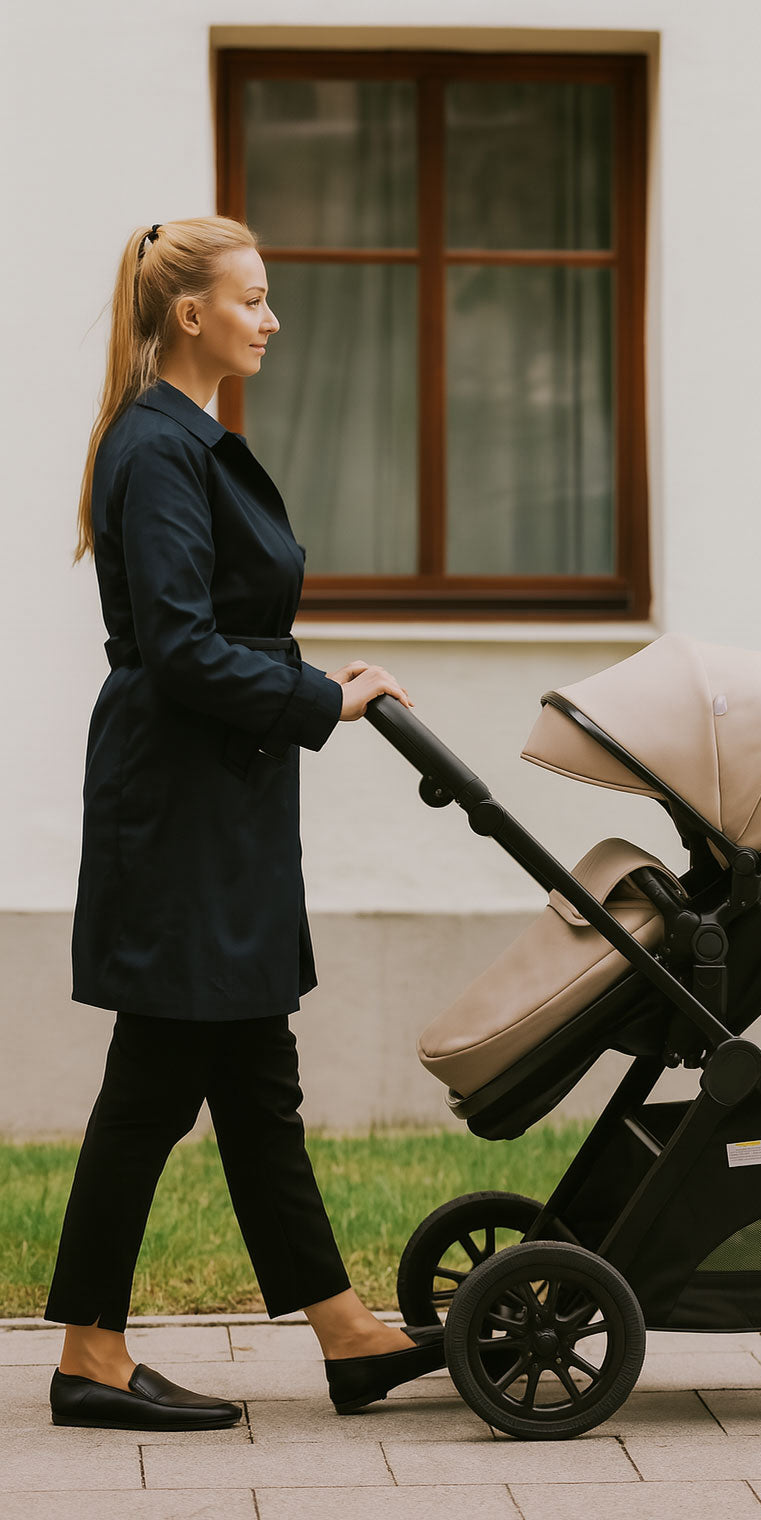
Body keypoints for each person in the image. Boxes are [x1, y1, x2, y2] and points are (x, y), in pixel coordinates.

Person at [46, 215, 445, 1432]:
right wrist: (322, 696)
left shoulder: (184, 440)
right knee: (160, 1081)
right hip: (182, 812)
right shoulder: (160, 449)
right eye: (253, 298)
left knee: (249, 1075)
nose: (271, 319)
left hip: (213, 802)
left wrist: (318, 683)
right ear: (190, 315)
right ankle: (91, 1356)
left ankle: (344, 1333)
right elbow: (178, 645)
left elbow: (217, 624)